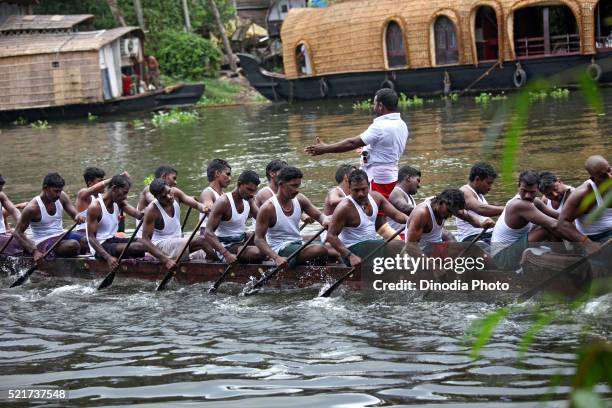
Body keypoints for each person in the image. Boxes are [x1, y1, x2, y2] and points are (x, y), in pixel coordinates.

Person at [304, 88, 409, 203]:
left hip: (377, 178)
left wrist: (325, 148)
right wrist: (365, 150)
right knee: (384, 210)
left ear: (380, 105)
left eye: (374, 104)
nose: (372, 107)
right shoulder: (402, 124)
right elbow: (385, 149)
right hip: (391, 175)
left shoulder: (380, 126)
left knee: (377, 212)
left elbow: (352, 143)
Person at [491, 171, 592, 270]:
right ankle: (567, 260)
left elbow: (560, 217)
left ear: (538, 190)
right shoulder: (519, 204)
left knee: (547, 226)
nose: (527, 195)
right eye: (524, 191)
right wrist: (585, 242)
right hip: (502, 258)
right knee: (547, 229)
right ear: (518, 187)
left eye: (532, 192)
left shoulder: (535, 202)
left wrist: (581, 212)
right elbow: (554, 225)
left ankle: (568, 255)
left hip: (512, 249)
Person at [326, 169, 408, 268]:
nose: (360, 194)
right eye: (356, 190)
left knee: (399, 245)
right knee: (397, 246)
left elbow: (397, 216)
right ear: (349, 188)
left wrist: (413, 220)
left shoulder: (376, 197)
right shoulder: (345, 207)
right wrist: (350, 256)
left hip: (371, 246)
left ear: (369, 185)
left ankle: (392, 274)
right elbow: (330, 236)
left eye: (363, 189)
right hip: (352, 251)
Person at [255, 166, 330, 269]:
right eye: (293, 186)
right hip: (280, 249)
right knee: (319, 250)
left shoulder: (300, 199)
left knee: (332, 249)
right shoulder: (268, 208)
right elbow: (258, 239)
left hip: (297, 243)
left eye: (298, 186)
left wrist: (325, 220)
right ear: (281, 184)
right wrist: (276, 258)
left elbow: (319, 215)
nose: (297, 190)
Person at [13, 173, 86, 262]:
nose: (58, 194)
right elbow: (17, 233)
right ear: (45, 188)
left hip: (60, 235)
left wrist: (78, 216)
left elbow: (75, 214)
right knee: (73, 245)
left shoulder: (62, 196)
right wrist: (34, 251)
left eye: (60, 191)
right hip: (43, 241)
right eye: (55, 191)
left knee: (86, 240)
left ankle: (80, 259)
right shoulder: (32, 208)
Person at [140, 179, 212, 268]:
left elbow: (197, 205)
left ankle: (212, 263)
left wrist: (204, 208)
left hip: (177, 241)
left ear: (169, 187)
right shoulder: (152, 210)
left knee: (209, 239)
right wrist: (165, 260)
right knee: (201, 241)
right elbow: (145, 240)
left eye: (168, 192)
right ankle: (220, 264)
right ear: (156, 197)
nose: (169, 197)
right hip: (162, 245)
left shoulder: (175, 193)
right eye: (163, 197)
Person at [86, 175, 145, 270]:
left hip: (113, 240)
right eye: (124, 193)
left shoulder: (119, 202)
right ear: (114, 189)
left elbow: (138, 215)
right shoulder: (95, 207)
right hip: (100, 246)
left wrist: (147, 211)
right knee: (137, 247)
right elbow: (91, 238)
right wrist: (108, 257)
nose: (125, 197)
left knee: (145, 243)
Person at [405, 188, 494, 249]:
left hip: (436, 249)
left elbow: (468, 217)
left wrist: (482, 223)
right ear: (441, 202)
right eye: (449, 211)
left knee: (478, 247)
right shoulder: (422, 213)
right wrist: (435, 268)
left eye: (453, 213)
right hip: (420, 254)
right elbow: (411, 248)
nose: (450, 215)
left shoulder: (446, 205)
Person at [205, 170, 264, 264]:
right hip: (226, 246)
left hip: (241, 240)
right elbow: (208, 232)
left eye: (254, 190)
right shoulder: (224, 202)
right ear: (239, 184)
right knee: (260, 253)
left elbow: (263, 219)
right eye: (249, 189)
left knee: (267, 244)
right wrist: (226, 254)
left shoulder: (249, 200)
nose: (251, 194)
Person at [559, 155, 611, 243]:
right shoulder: (583, 194)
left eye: (609, 170)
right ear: (593, 179)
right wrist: (587, 244)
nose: (609, 177)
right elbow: (562, 223)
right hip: (597, 237)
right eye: (602, 176)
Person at [75, 167, 129, 240]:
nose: (105, 184)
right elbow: (93, 189)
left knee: (122, 235)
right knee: (121, 235)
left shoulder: (103, 197)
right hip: (83, 233)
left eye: (104, 180)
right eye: (100, 181)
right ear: (90, 183)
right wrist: (116, 179)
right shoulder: (83, 194)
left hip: (100, 233)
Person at [456, 162, 504, 243]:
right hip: (472, 238)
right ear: (477, 179)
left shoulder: (479, 194)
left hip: (486, 235)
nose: (490, 187)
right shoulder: (465, 191)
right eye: (488, 183)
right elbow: (481, 209)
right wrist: (509, 208)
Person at [388, 165, 421, 240]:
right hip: (398, 238)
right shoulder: (395, 191)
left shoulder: (409, 196)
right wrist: (428, 210)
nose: (419, 185)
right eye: (418, 180)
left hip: (408, 235)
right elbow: (404, 208)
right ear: (408, 178)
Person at [199, 159, 231, 235]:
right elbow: (211, 213)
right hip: (207, 235)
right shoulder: (207, 193)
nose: (230, 178)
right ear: (217, 173)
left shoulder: (223, 195)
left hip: (220, 233)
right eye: (227, 174)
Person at [0, 174, 22, 255]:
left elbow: (13, 210)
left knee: (25, 239)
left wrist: (21, 224)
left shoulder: (1, 195)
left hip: (2, 234)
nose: (0, 191)